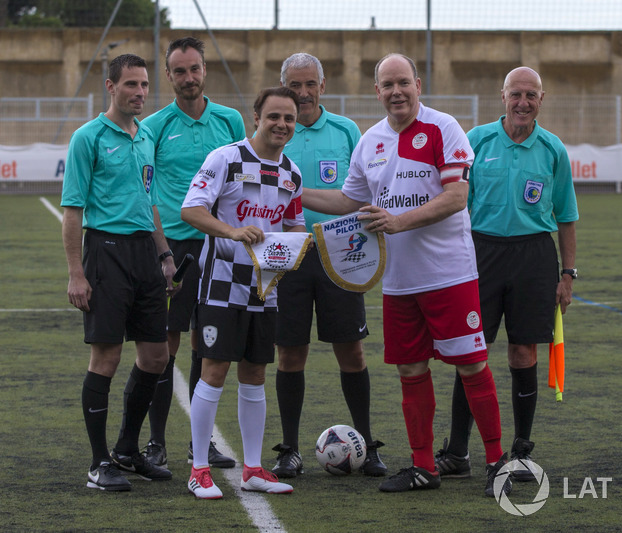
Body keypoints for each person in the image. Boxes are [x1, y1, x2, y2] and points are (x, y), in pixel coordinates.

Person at [301, 53, 509, 496]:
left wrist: (399, 221)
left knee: (472, 366)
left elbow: (456, 197)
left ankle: (496, 461)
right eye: (387, 85)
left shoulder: (443, 128)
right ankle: (423, 467)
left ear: (417, 85)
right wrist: (295, 191)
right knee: (411, 371)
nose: (396, 92)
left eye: (403, 83)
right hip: (397, 281)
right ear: (377, 92)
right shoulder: (369, 141)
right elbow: (348, 201)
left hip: (449, 275)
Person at [436, 66, 578, 485]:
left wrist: (567, 274)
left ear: (541, 99)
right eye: (516, 94)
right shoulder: (476, 141)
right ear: (502, 97)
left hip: (534, 257)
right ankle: (458, 451)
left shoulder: (552, 149)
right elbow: (456, 203)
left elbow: (567, 217)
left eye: (531, 95)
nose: (523, 102)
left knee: (523, 354)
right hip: (479, 254)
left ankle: (519, 450)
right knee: (469, 355)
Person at [180, 86, 306, 499]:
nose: (282, 124)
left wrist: (291, 254)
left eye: (288, 118)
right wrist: (233, 231)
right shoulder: (227, 158)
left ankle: (253, 469)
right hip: (219, 286)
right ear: (256, 117)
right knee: (214, 371)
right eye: (274, 116)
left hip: (264, 289)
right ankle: (199, 469)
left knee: (255, 374)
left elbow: (293, 228)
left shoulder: (292, 173)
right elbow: (192, 208)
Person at [61, 53, 176, 491]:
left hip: (145, 255)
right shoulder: (87, 137)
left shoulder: (146, 137)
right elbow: (73, 211)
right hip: (105, 252)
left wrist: (164, 256)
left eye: (145, 85)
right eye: (131, 85)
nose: (140, 93)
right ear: (110, 87)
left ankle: (127, 451)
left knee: (156, 356)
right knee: (106, 358)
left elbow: (150, 202)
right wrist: (77, 273)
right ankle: (98, 463)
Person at [270, 52, 386, 479]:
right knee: (289, 354)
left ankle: (368, 445)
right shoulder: (273, 129)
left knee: (351, 352)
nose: (302, 93)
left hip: (340, 253)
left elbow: (359, 192)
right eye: (294, 85)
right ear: (284, 86)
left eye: (310, 84)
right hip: (288, 254)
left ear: (322, 86)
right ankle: (289, 450)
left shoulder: (346, 131)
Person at [140, 36, 244, 470]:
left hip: (221, 245)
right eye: (179, 71)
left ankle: (201, 444)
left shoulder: (230, 120)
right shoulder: (155, 126)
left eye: (194, 69)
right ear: (168, 76)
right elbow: (147, 193)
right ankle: (156, 442)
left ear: (205, 71)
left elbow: (245, 179)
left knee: (212, 342)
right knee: (165, 344)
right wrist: (162, 250)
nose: (188, 78)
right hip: (174, 249)